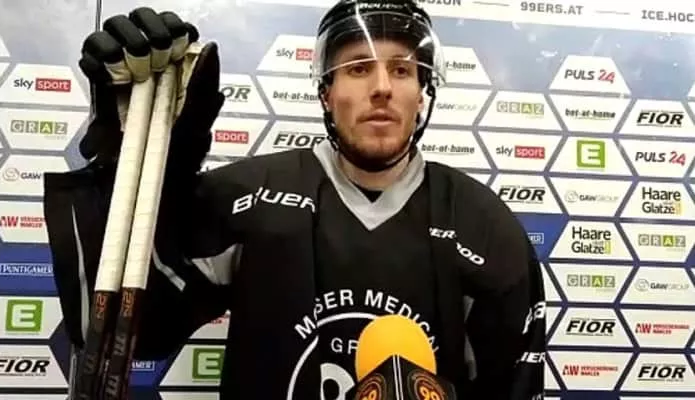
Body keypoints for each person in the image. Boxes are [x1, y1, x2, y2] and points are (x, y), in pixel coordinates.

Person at [43, 0, 547, 398]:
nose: (381, 88)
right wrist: (131, 161)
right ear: (326, 92)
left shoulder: (485, 228)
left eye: (401, 70)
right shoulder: (249, 196)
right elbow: (126, 329)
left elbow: (511, 388)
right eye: (357, 69)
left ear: (422, 92)